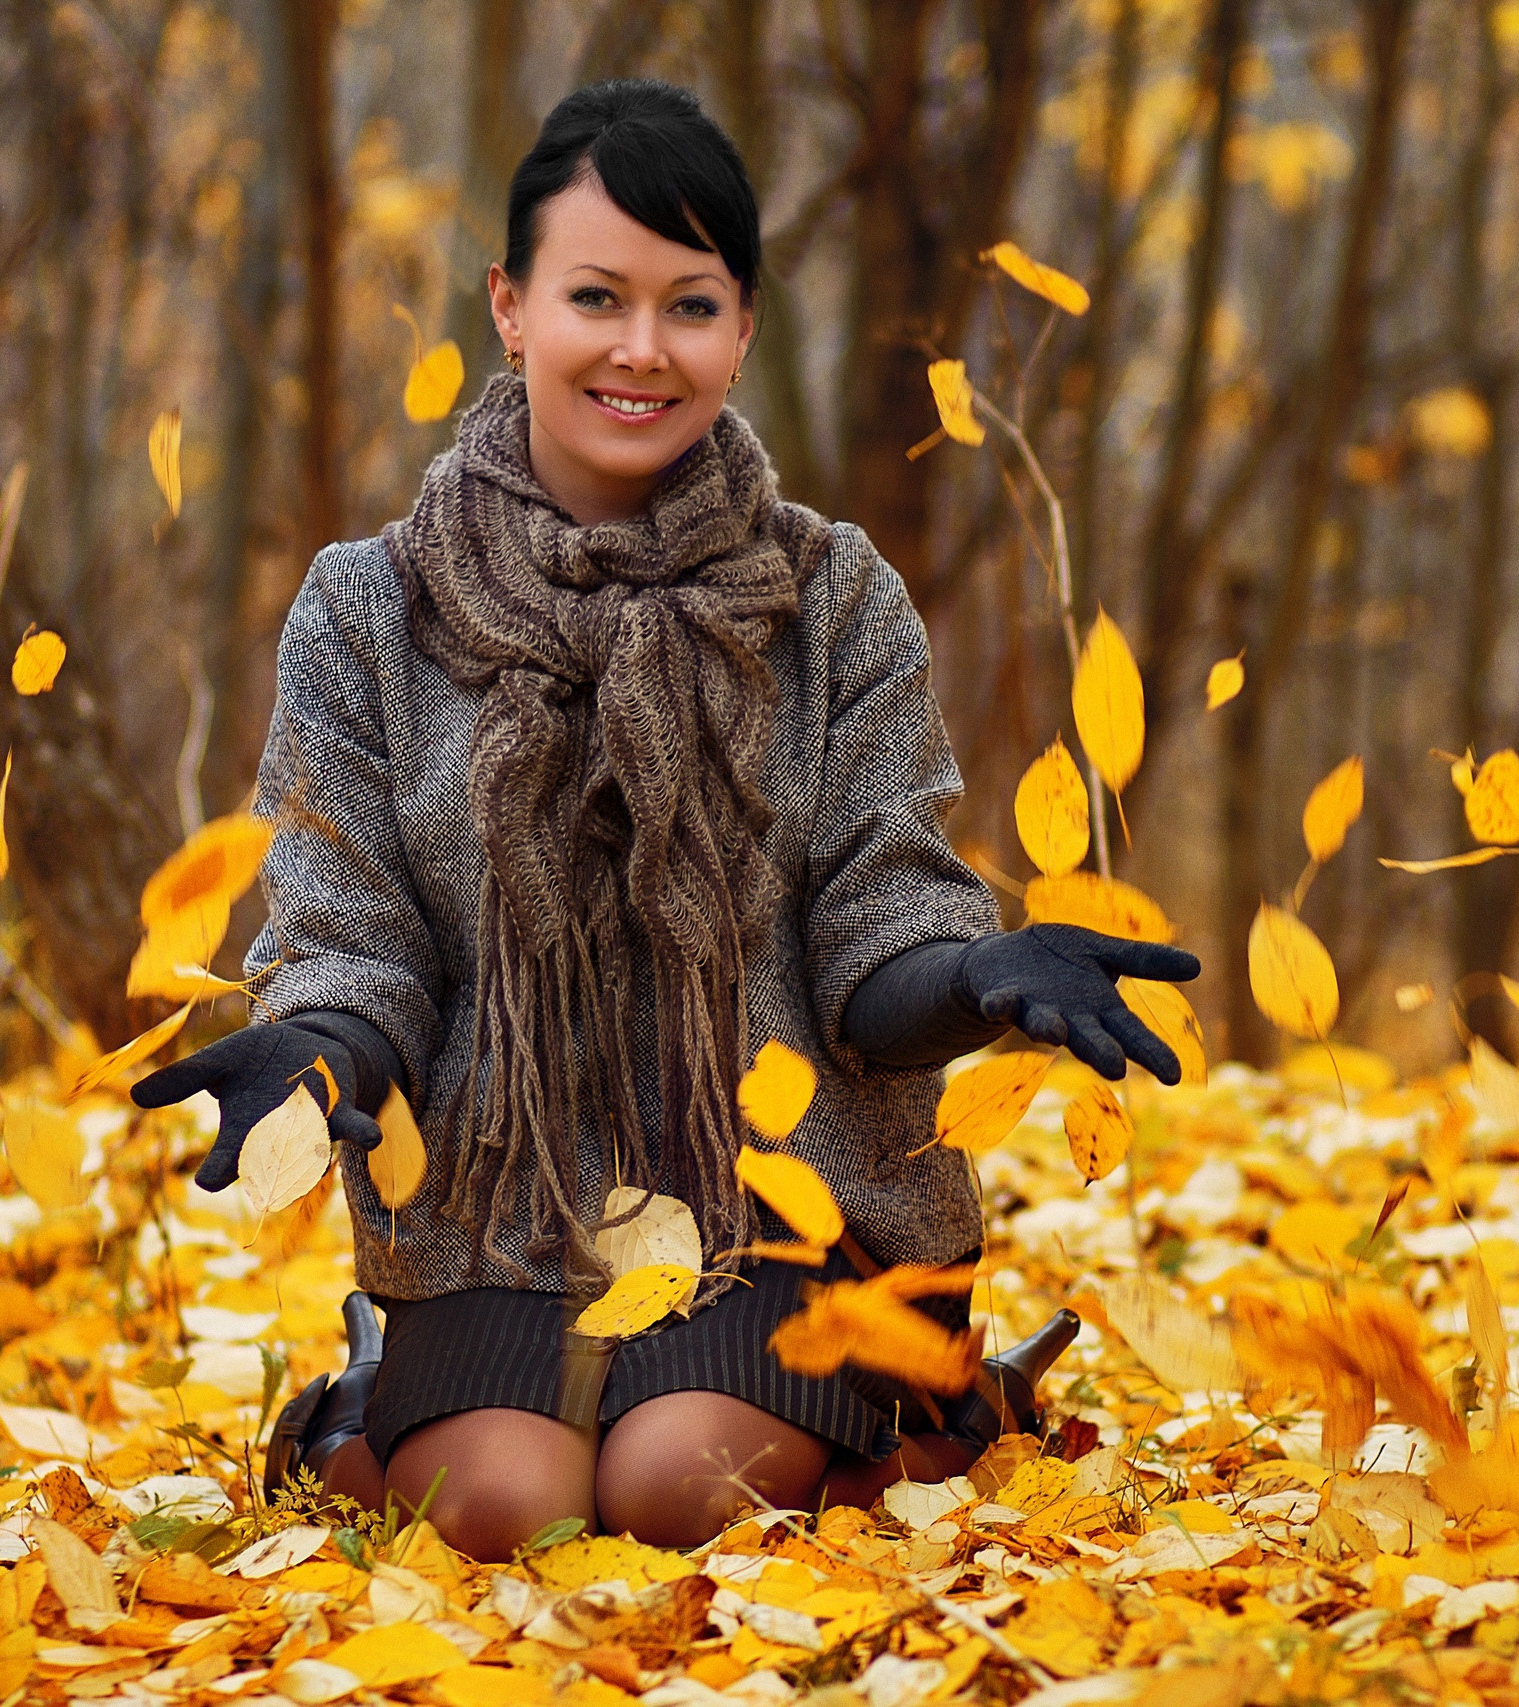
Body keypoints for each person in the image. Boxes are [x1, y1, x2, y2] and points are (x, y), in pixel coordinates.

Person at [132, 79, 1198, 1560]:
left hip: (786, 1203)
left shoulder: (834, 601)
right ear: (510, 309)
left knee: (676, 1488)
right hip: (501, 1214)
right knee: (508, 1509)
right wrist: (317, 1046)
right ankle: (358, 1409)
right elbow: (353, 934)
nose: (642, 348)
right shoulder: (363, 611)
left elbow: (877, 928)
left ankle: (937, 1400)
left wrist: (979, 977)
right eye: (595, 297)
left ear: (742, 329)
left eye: (690, 305)